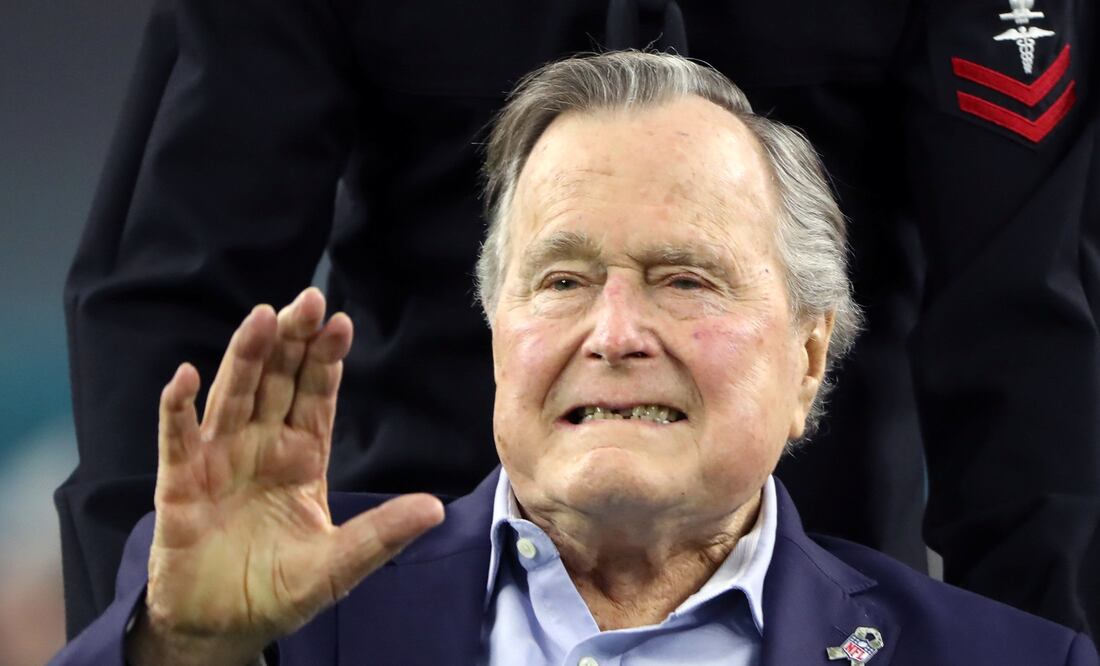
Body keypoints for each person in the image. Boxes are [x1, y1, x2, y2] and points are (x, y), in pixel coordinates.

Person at [51, 52, 1098, 666]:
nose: (611, 333)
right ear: (495, 329)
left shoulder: (1005, 660)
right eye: (559, 281)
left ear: (810, 358)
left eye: (683, 279)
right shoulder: (281, 632)